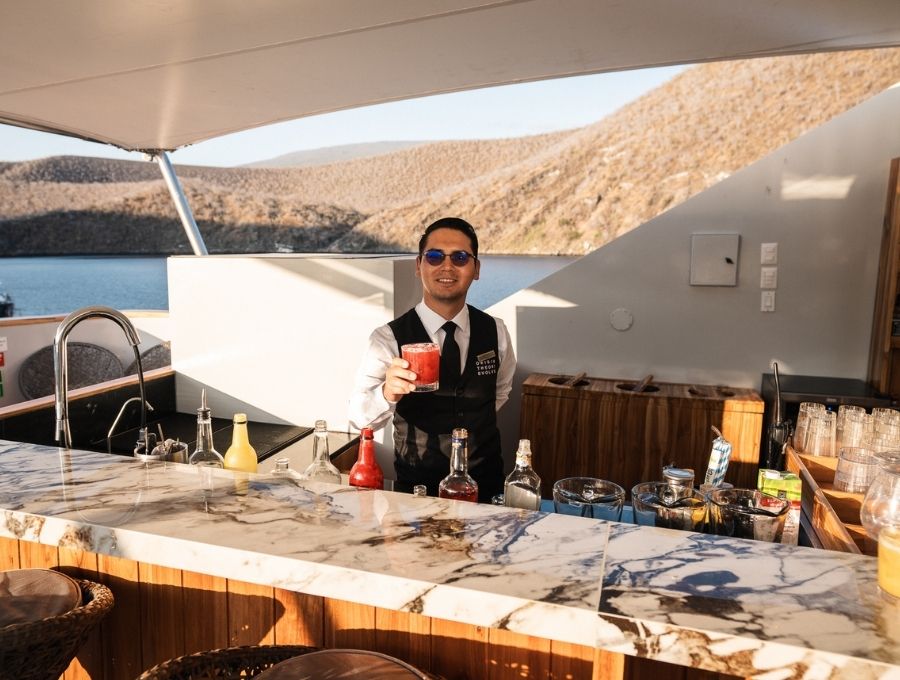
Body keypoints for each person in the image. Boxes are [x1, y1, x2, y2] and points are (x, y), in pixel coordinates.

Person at [349, 217, 516, 502]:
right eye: (435, 256)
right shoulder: (387, 339)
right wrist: (388, 392)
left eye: (461, 257)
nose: (447, 266)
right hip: (417, 492)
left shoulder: (496, 331)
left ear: (476, 269)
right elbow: (359, 418)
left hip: (486, 489)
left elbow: (499, 392)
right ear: (419, 266)